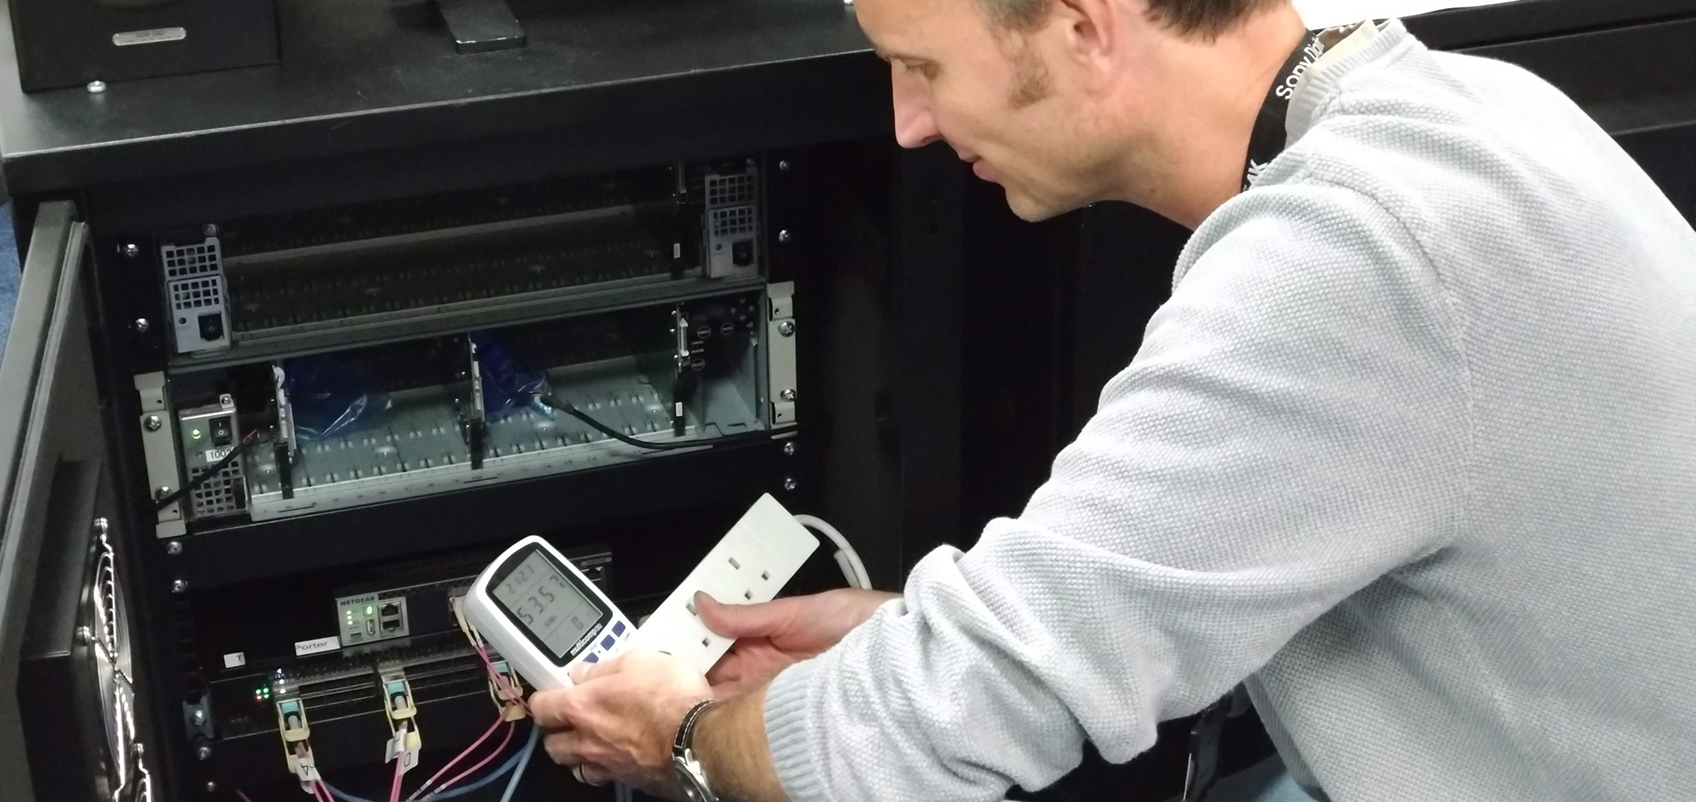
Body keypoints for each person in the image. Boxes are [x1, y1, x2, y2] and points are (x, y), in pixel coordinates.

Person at [530, 0, 1696, 799]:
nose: (908, 125)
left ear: (1082, 30)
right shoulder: (1462, 109)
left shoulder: (1348, 268)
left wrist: (679, 737)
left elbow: (919, 736)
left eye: (922, 65)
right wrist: (911, 635)